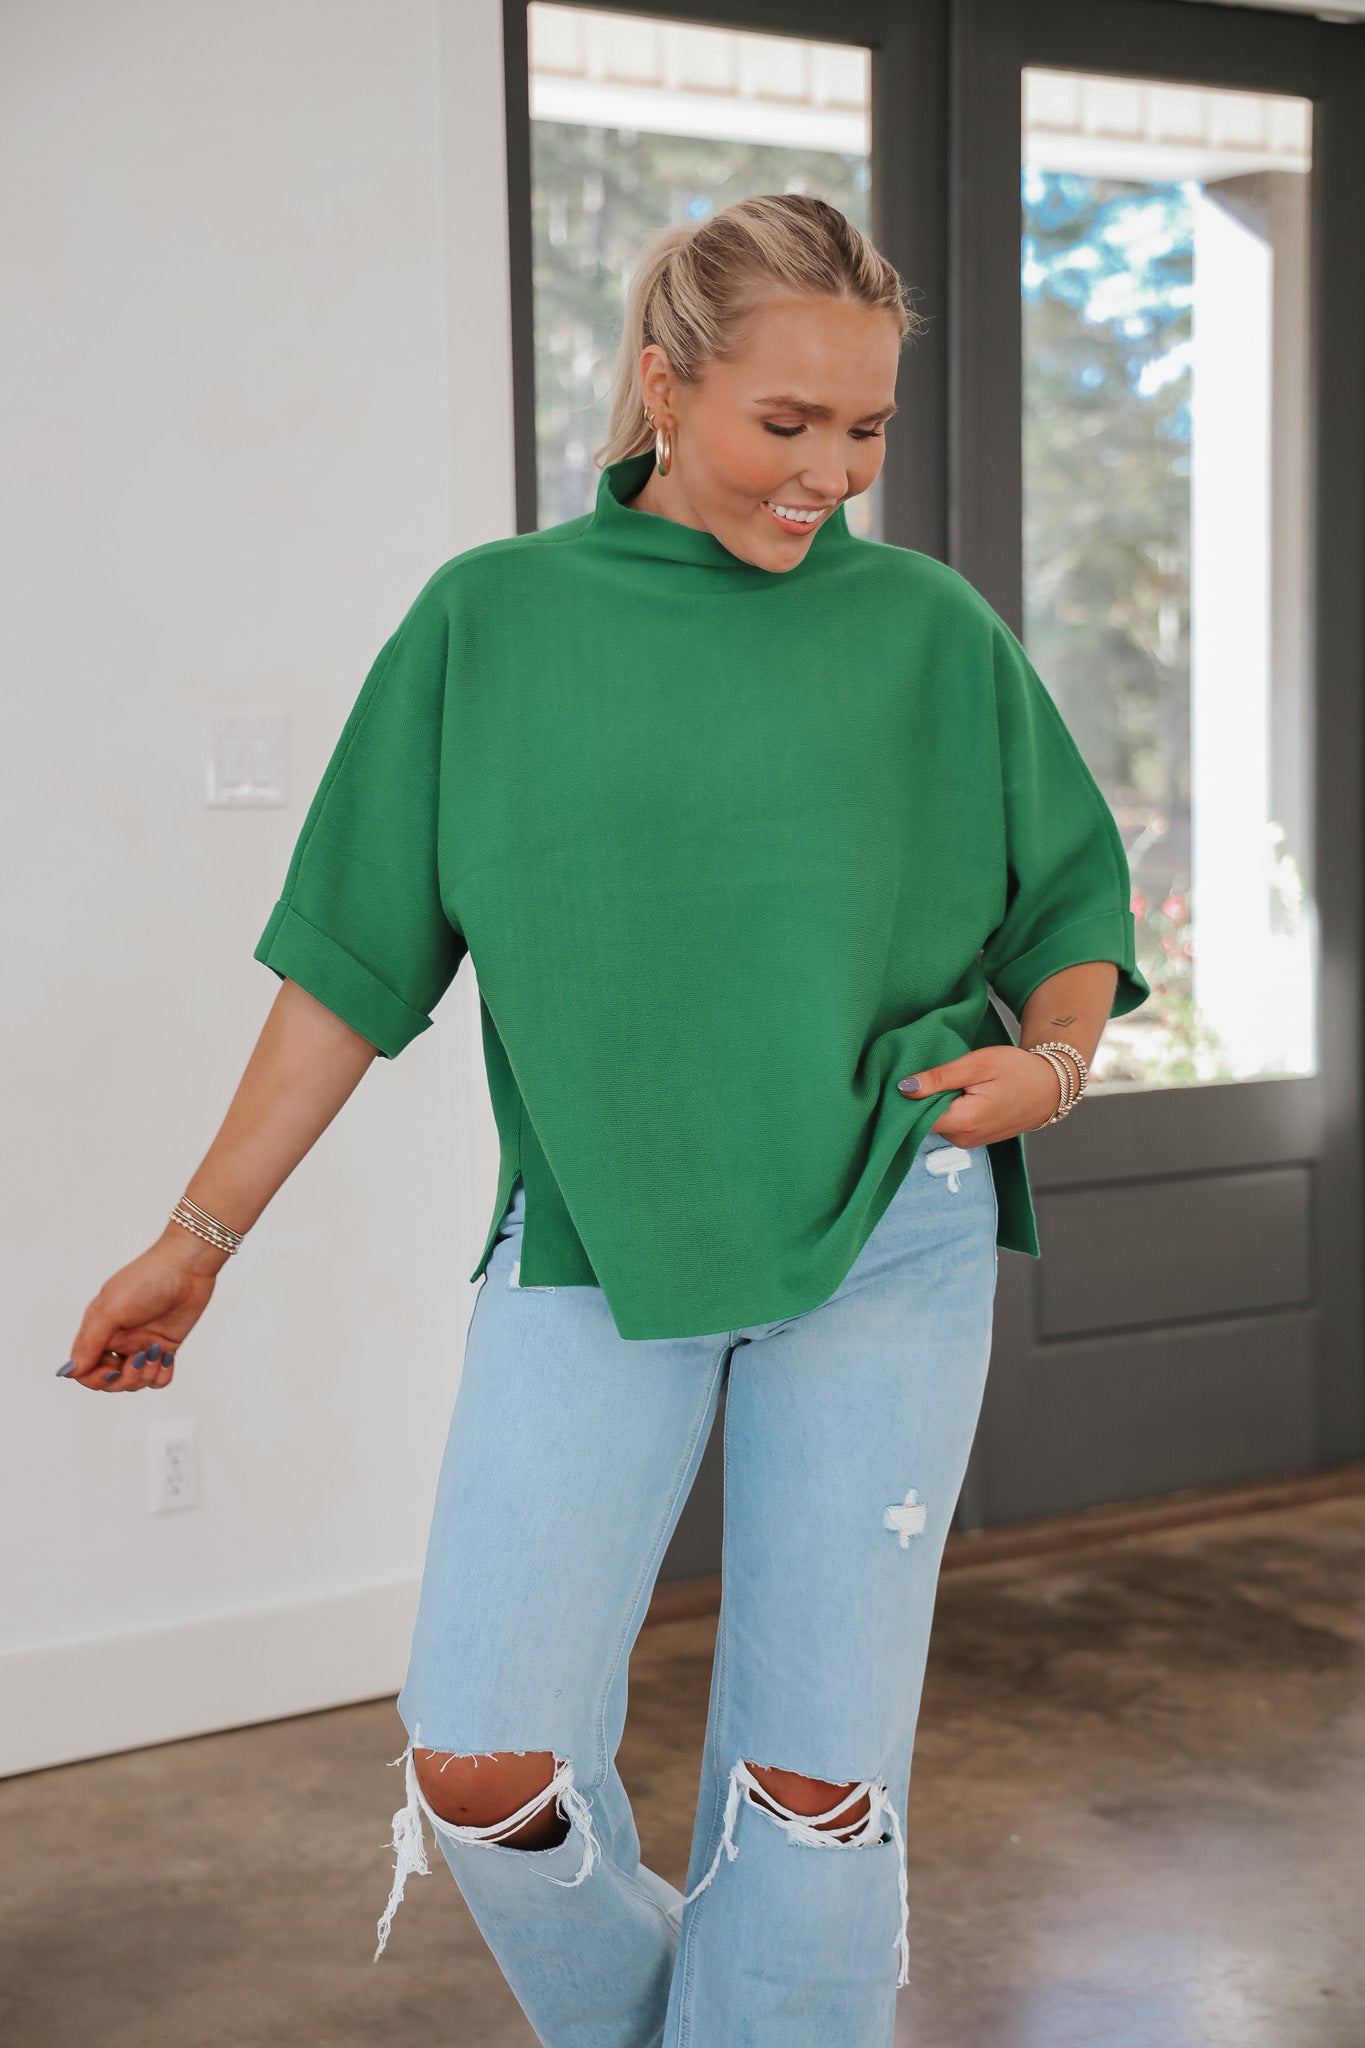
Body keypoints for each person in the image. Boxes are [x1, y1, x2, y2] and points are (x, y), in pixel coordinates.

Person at [59, 194, 1149, 2046]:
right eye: (784, 422)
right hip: (594, 1225)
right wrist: (198, 1239)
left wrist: (1050, 1065)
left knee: (813, 1792)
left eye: (864, 428)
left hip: (893, 1220)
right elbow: (348, 972)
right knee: (481, 1753)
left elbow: (1069, 909)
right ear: (662, 382)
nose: (828, 474)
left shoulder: (926, 630)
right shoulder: (492, 620)